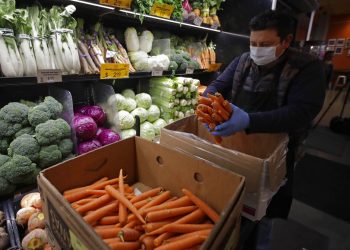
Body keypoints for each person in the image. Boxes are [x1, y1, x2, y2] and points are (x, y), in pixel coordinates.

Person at [204, 10, 326, 219]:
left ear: (286, 41)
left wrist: (249, 120)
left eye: (265, 45)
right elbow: (218, 85)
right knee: (231, 200)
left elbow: (302, 112)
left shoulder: (307, 67)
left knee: (263, 211)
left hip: (276, 150)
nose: (257, 50)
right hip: (237, 143)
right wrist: (207, 105)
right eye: (254, 44)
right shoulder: (243, 61)